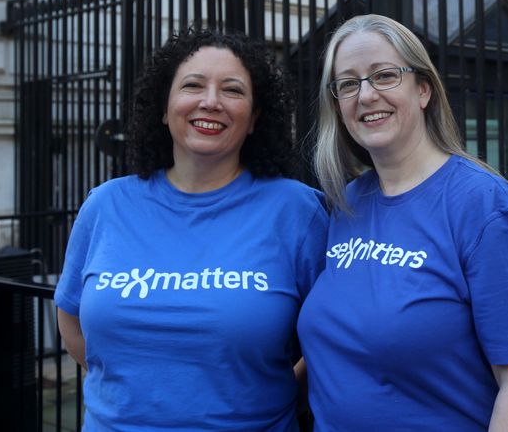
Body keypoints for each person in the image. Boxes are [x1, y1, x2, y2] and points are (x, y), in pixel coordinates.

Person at [54, 29, 328, 432]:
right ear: (164, 108)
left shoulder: (297, 210)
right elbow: (71, 320)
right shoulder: (105, 205)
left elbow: (332, 336)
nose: (211, 101)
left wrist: (271, 396)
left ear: (254, 118)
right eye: (193, 85)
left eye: (232, 90)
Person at [298, 14, 508, 431]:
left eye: (384, 75)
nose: (365, 95)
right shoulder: (346, 205)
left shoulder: (486, 207)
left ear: (423, 90)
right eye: (348, 83)